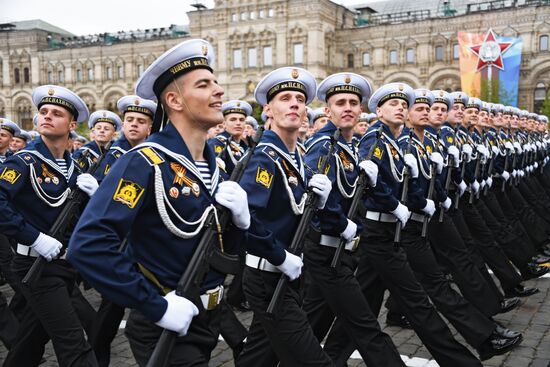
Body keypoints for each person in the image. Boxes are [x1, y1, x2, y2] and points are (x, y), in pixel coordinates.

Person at [68, 39, 251, 366]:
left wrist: (240, 223)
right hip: (165, 324)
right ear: (174, 100)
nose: (219, 91)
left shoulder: (213, 167)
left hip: (204, 319)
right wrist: (156, 305)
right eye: (204, 84)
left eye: (216, 82)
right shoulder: (145, 162)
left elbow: (216, 249)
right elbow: (89, 245)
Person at [323, 83, 482, 367]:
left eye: (403, 104)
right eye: (393, 104)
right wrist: (396, 205)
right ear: (377, 110)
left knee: (362, 308)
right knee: (415, 300)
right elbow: (365, 189)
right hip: (373, 231)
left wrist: (419, 200)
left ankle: (332, 355)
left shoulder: (391, 142)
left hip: (384, 231)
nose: (401, 108)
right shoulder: (372, 140)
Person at [301, 72, 405, 366]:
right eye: (340, 102)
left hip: (339, 249)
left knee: (309, 326)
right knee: (366, 326)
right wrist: (344, 224)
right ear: (327, 110)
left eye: (353, 102)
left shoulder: (348, 146)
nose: (347, 107)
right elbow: (316, 199)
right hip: (326, 249)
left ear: (361, 110)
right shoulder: (324, 145)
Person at [236, 66, 335, 367]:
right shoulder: (264, 158)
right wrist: (279, 255)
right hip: (269, 276)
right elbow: (245, 220)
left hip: (287, 274)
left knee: (259, 357)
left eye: (299, 99)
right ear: (268, 108)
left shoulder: (296, 159)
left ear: (306, 110)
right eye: (284, 98)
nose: (294, 103)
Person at [1, 84, 99, 366]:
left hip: (63, 265)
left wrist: (95, 197)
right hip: (36, 266)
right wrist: (34, 238)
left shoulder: (75, 169)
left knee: (29, 342)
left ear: (71, 124)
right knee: (74, 344)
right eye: (43, 112)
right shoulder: (25, 162)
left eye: (56, 113)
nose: (46, 116)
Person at [87, 94, 156, 367]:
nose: (134, 125)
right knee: (112, 305)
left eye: (141, 121)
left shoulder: (153, 152)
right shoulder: (116, 154)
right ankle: (96, 354)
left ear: (150, 127)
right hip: (121, 241)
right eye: (130, 120)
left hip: (145, 240)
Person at [208, 100, 252, 174]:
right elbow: (217, 172)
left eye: (241, 120)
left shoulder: (246, 147)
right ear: (224, 124)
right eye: (233, 119)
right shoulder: (217, 143)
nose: (238, 123)